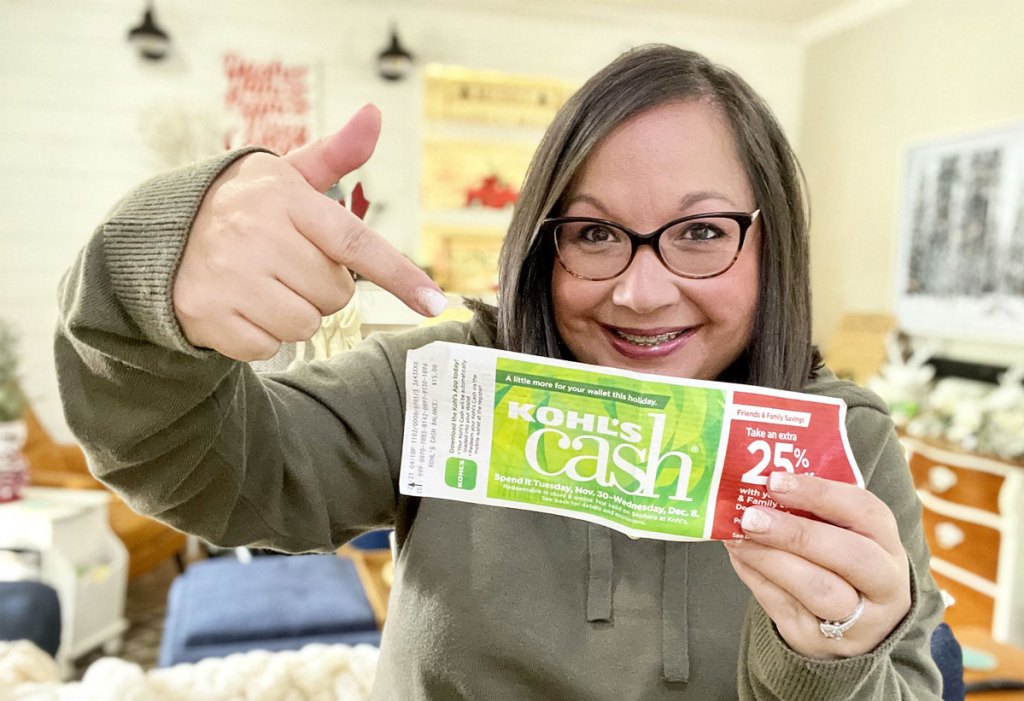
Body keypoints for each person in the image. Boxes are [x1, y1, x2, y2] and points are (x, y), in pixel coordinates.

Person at [55, 44, 944, 699]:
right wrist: (149, 279)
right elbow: (205, 473)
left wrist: (824, 664)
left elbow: (905, 683)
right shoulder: (445, 386)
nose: (640, 291)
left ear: (772, 245)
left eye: (702, 232)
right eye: (593, 233)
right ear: (539, 246)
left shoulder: (846, 441)